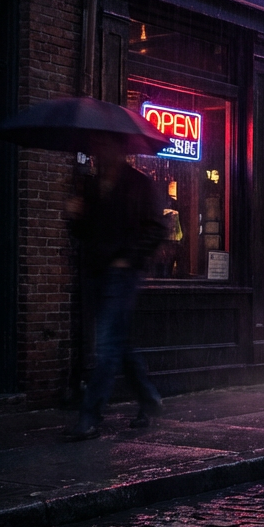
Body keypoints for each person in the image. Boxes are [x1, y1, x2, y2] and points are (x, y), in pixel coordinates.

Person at [63, 135, 168, 441]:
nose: (98, 152)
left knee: (107, 346)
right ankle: (149, 398)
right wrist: (75, 217)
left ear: (119, 149)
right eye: (95, 147)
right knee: (119, 344)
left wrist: (128, 259)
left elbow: (156, 229)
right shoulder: (91, 186)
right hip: (96, 274)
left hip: (122, 275)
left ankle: (90, 417)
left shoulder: (139, 184)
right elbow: (85, 233)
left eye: (104, 146)